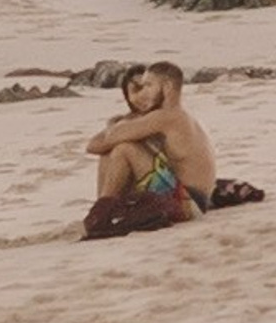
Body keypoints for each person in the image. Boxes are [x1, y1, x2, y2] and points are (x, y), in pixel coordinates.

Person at [82, 61, 216, 236]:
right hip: (192, 199)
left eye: (148, 86)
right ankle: (104, 211)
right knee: (113, 150)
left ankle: (101, 216)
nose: (144, 93)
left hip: (188, 204)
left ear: (167, 86)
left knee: (124, 149)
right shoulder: (179, 116)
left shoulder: (165, 117)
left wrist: (116, 127)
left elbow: (94, 144)